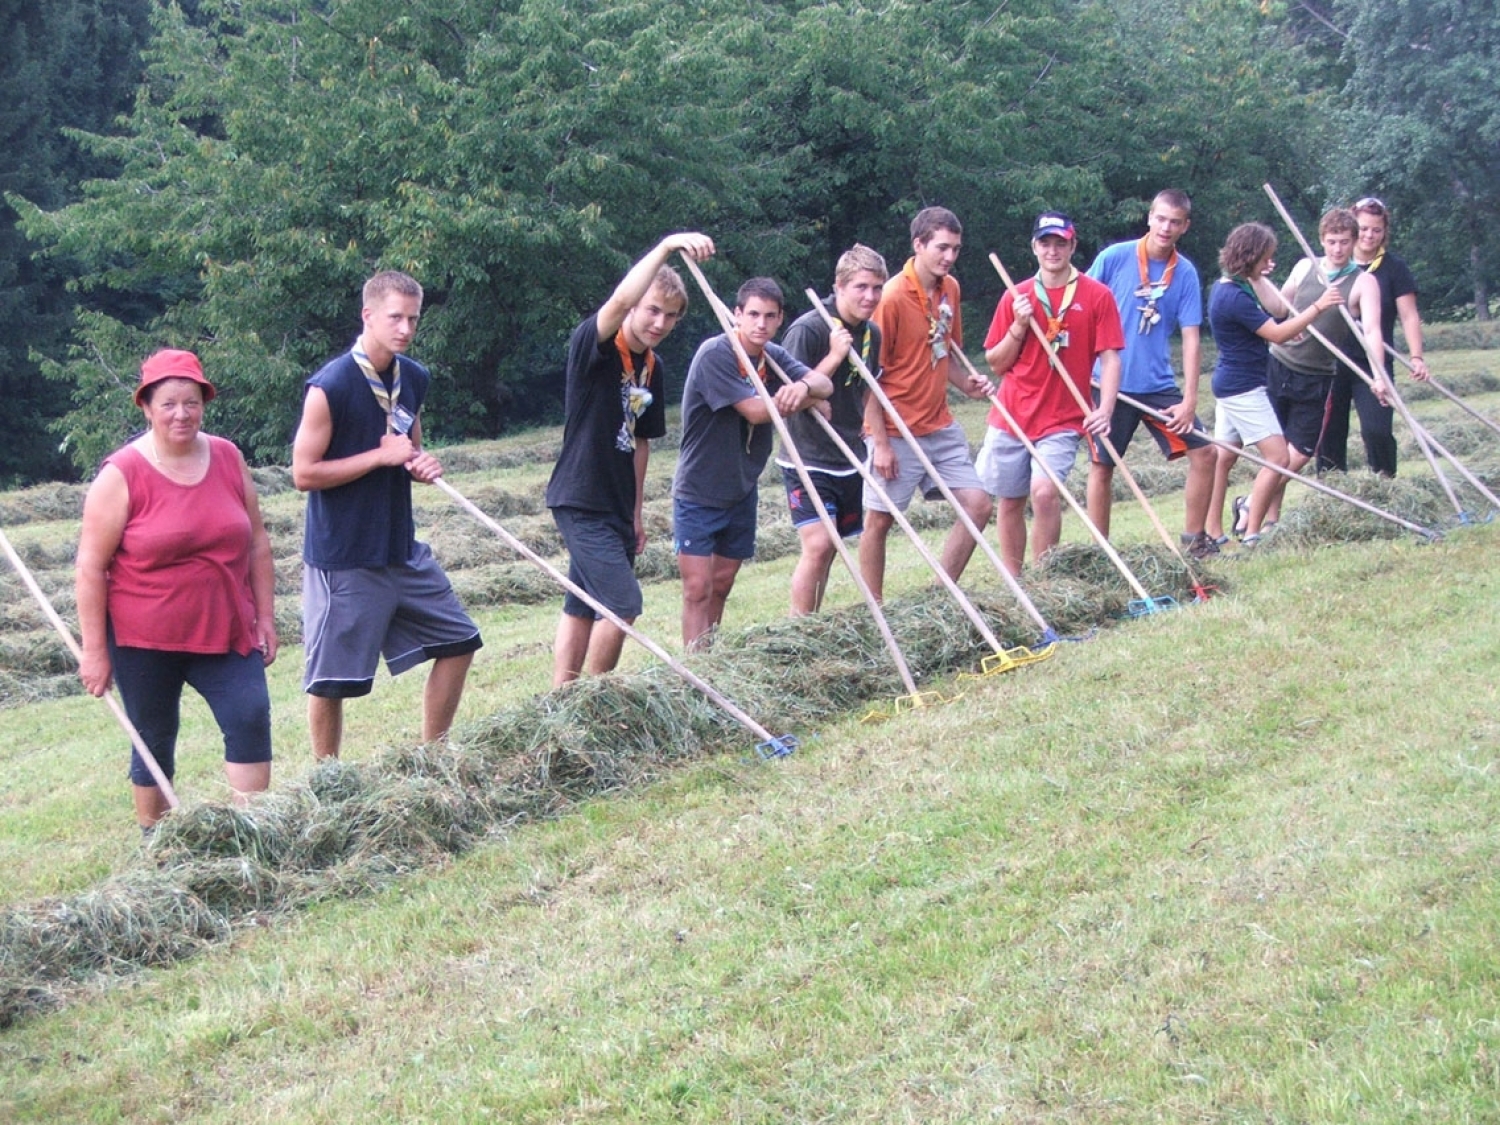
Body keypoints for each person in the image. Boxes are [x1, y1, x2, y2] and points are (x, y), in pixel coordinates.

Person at [75, 349, 277, 830]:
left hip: (226, 625)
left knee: (250, 715)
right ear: (145, 407)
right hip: (145, 638)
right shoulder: (120, 474)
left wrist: (266, 616)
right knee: (153, 736)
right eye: (168, 403)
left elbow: (257, 544)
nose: (181, 413)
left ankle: (252, 834)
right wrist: (95, 651)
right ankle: (157, 845)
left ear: (204, 403)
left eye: (191, 402)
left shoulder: (228, 456)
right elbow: (90, 567)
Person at [292, 271, 483, 759]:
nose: (404, 329)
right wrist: (378, 458)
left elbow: (409, 448)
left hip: (401, 548)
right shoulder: (330, 386)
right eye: (395, 317)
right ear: (368, 316)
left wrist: (423, 463)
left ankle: (433, 756)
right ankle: (327, 778)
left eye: (413, 319)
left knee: (461, 641)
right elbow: (304, 474)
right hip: (345, 556)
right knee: (331, 682)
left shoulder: (412, 377)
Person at [546, 232, 715, 686]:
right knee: (622, 605)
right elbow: (619, 300)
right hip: (580, 497)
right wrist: (664, 246)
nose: (660, 322)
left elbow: (641, 441)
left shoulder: (652, 368)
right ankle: (594, 699)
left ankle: (561, 696)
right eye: (652, 310)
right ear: (637, 306)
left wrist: (636, 514)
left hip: (617, 505)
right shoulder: (595, 347)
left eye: (671, 316)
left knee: (581, 603)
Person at [673, 277, 836, 648]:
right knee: (697, 588)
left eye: (770, 316)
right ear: (736, 315)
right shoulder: (716, 354)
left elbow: (825, 385)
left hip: (742, 488)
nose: (761, 324)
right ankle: (694, 667)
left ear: (780, 319)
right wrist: (806, 398)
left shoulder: (773, 357)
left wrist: (807, 388)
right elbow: (756, 411)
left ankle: (709, 654)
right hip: (699, 489)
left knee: (723, 582)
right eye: (753, 315)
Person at [860, 207, 994, 602]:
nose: (949, 256)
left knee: (979, 506)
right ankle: (876, 607)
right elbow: (870, 379)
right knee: (880, 521)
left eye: (955, 248)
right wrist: (880, 442)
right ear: (918, 245)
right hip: (896, 429)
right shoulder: (892, 297)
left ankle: (940, 594)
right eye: (941, 247)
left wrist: (968, 385)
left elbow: (944, 353)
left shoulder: (949, 288)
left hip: (939, 425)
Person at [980, 212, 1123, 574]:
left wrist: (1104, 409)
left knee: (1044, 492)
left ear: (1073, 246)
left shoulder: (1097, 295)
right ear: (1034, 247)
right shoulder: (1017, 295)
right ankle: (1015, 581)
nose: (1053, 250)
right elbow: (996, 363)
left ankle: (1045, 578)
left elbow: (1110, 358)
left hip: (1062, 418)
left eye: (1061, 243)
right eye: (1046, 243)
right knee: (1009, 501)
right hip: (1012, 415)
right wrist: (1018, 324)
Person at [1085, 189, 1218, 558]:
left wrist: (1189, 400)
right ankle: (1102, 554)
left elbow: (1192, 339)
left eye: (1175, 222)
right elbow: (1080, 303)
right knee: (1102, 465)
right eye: (1161, 218)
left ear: (1185, 227)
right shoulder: (1115, 258)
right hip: (1107, 383)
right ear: (1149, 217)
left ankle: (1196, 543)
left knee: (1205, 453)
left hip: (1157, 385)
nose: (1166, 227)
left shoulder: (1186, 273)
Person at [1204, 223, 1347, 545]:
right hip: (1243, 388)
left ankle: (1212, 530)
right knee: (1279, 458)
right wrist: (1318, 306)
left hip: (1232, 382)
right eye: (1265, 257)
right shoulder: (1232, 296)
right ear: (1251, 256)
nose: (1270, 262)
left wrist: (1260, 276)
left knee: (1224, 458)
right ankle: (1253, 532)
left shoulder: (1240, 285)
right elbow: (1278, 334)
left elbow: (1279, 312)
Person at [1258, 208, 1389, 528]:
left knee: (1299, 454)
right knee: (1278, 453)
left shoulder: (1364, 282)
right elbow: (1277, 307)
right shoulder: (1305, 266)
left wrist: (1378, 376)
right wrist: (1257, 276)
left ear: (1354, 242)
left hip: (1317, 374)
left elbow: (1372, 331)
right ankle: (1270, 518)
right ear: (1321, 240)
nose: (1338, 249)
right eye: (1332, 241)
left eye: (1344, 242)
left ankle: (1251, 504)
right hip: (1280, 363)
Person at [776, 243, 887, 615]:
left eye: (876, 288)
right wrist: (833, 359)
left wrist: (875, 436)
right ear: (839, 287)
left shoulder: (872, 333)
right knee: (819, 544)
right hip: (806, 456)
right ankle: (797, 630)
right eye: (861, 287)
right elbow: (786, 393)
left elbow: (866, 388)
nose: (870, 296)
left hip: (847, 455)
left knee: (833, 547)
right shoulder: (809, 329)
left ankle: (813, 623)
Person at [1319, 196, 1430, 476]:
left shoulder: (1394, 268)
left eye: (1376, 230)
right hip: (1330, 362)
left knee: (1377, 429)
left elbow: (1409, 316)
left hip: (1373, 363)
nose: (1369, 235)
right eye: (1363, 228)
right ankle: (1333, 492)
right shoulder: (1328, 265)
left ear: (1384, 232)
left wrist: (1416, 357)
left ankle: (1384, 486)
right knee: (1330, 431)